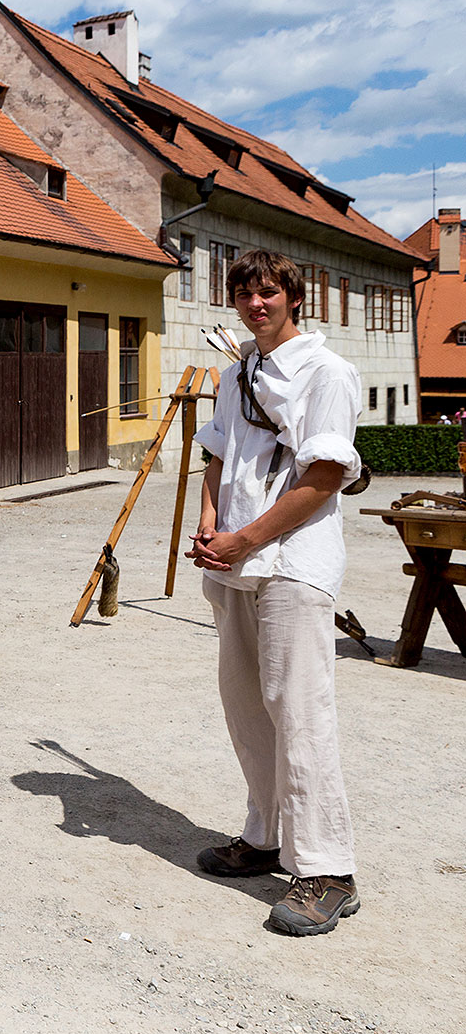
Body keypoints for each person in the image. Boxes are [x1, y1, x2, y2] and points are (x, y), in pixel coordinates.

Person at [186, 249, 363, 936]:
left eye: (266, 292)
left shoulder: (329, 372)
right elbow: (217, 452)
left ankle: (328, 868)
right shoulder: (236, 374)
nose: (255, 304)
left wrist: (246, 538)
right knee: (244, 704)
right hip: (234, 559)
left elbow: (322, 478)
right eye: (243, 293)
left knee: (300, 711)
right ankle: (265, 837)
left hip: (293, 561)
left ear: (293, 297)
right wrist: (210, 522)